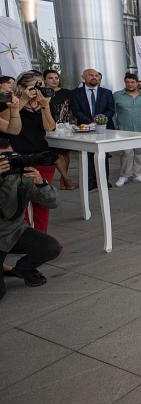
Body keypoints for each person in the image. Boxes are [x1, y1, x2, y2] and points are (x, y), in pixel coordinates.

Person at [0, 138, 63, 301]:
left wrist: (41, 183)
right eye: (2, 159)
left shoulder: (21, 175)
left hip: (15, 232)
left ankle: (23, 269)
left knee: (51, 247)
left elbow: (53, 202)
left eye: (11, 156)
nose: (8, 162)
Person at [9, 72, 57, 232]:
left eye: (41, 85)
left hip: (41, 156)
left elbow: (49, 127)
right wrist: (23, 100)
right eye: (35, 85)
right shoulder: (12, 103)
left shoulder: (45, 102)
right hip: (19, 158)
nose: (39, 89)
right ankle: (23, 235)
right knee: (20, 202)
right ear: (22, 87)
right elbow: (8, 124)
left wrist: (45, 105)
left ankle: (41, 235)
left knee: (42, 201)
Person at [70, 68, 114, 190]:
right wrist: (91, 122)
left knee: (103, 155)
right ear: (83, 77)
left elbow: (111, 110)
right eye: (90, 75)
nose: (94, 77)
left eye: (96, 75)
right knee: (87, 155)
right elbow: (76, 111)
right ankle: (90, 182)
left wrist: (100, 120)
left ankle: (104, 181)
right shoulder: (75, 93)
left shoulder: (106, 92)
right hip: (84, 128)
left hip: (103, 128)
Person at [112, 73, 141, 187]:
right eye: (127, 82)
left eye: (132, 82)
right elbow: (112, 112)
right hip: (124, 129)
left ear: (137, 83)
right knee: (126, 152)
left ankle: (137, 174)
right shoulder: (117, 95)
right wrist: (115, 125)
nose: (130, 84)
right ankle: (124, 176)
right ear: (125, 83)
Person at [43, 70, 76, 190]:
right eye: (50, 78)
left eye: (56, 78)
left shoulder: (66, 92)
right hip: (49, 127)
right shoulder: (42, 93)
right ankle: (67, 178)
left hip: (65, 126)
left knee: (66, 153)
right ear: (44, 80)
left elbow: (71, 109)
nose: (54, 80)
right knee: (57, 153)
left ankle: (63, 179)